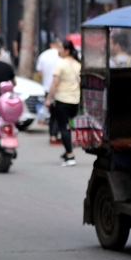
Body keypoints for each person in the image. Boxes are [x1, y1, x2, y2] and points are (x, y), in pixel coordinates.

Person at [45, 39, 81, 167]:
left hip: (63, 100)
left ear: (67, 50)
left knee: (63, 127)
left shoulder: (61, 64)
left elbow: (55, 83)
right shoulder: (78, 64)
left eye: (60, 48)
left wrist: (48, 98)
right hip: (75, 100)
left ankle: (70, 155)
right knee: (69, 127)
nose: (59, 51)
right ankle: (67, 151)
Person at [36, 37, 63, 144]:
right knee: (59, 113)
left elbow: (39, 73)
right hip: (60, 89)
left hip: (47, 88)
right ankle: (55, 134)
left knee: (52, 113)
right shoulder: (61, 57)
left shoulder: (43, 55)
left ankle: (52, 134)